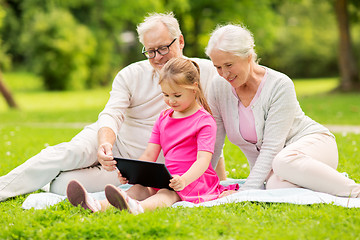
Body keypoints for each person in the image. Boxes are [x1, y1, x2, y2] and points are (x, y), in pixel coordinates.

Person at [0, 12, 225, 202]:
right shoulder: (130, 74)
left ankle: (47, 181)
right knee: (66, 153)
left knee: (63, 185)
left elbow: (214, 127)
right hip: (111, 139)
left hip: (134, 167)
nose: (157, 58)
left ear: (181, 41)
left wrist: (216, 176)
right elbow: (111, 114)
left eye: (163, 48)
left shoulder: (206, 72)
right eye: (150, 51)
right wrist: (105, 144)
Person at [66, 58, 239, 214]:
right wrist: (132, 173)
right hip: (168, 177)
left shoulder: (204, 121)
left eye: (177, 95)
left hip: (194, 180)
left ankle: (138, 208)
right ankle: (96, 205)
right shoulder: (164, 117)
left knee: (166, 193)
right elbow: (150, 154)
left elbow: (203, 160)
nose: (171, 101)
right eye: (165, 95)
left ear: (194, 87)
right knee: (139, 189)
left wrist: (184, 180)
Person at [205, 24, 360, 197]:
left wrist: (245, 192)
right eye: (218, 67)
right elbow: (214, 141)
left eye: (228, 65)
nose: (224, 74)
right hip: (277, 168)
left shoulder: (279, 85)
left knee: (283, 161)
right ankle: (325, 182)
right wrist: (199, 182)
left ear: (248, 56)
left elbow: (272, 148)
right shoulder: (218, 87)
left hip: (313, 146)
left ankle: (355, 191)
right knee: (275, 188)